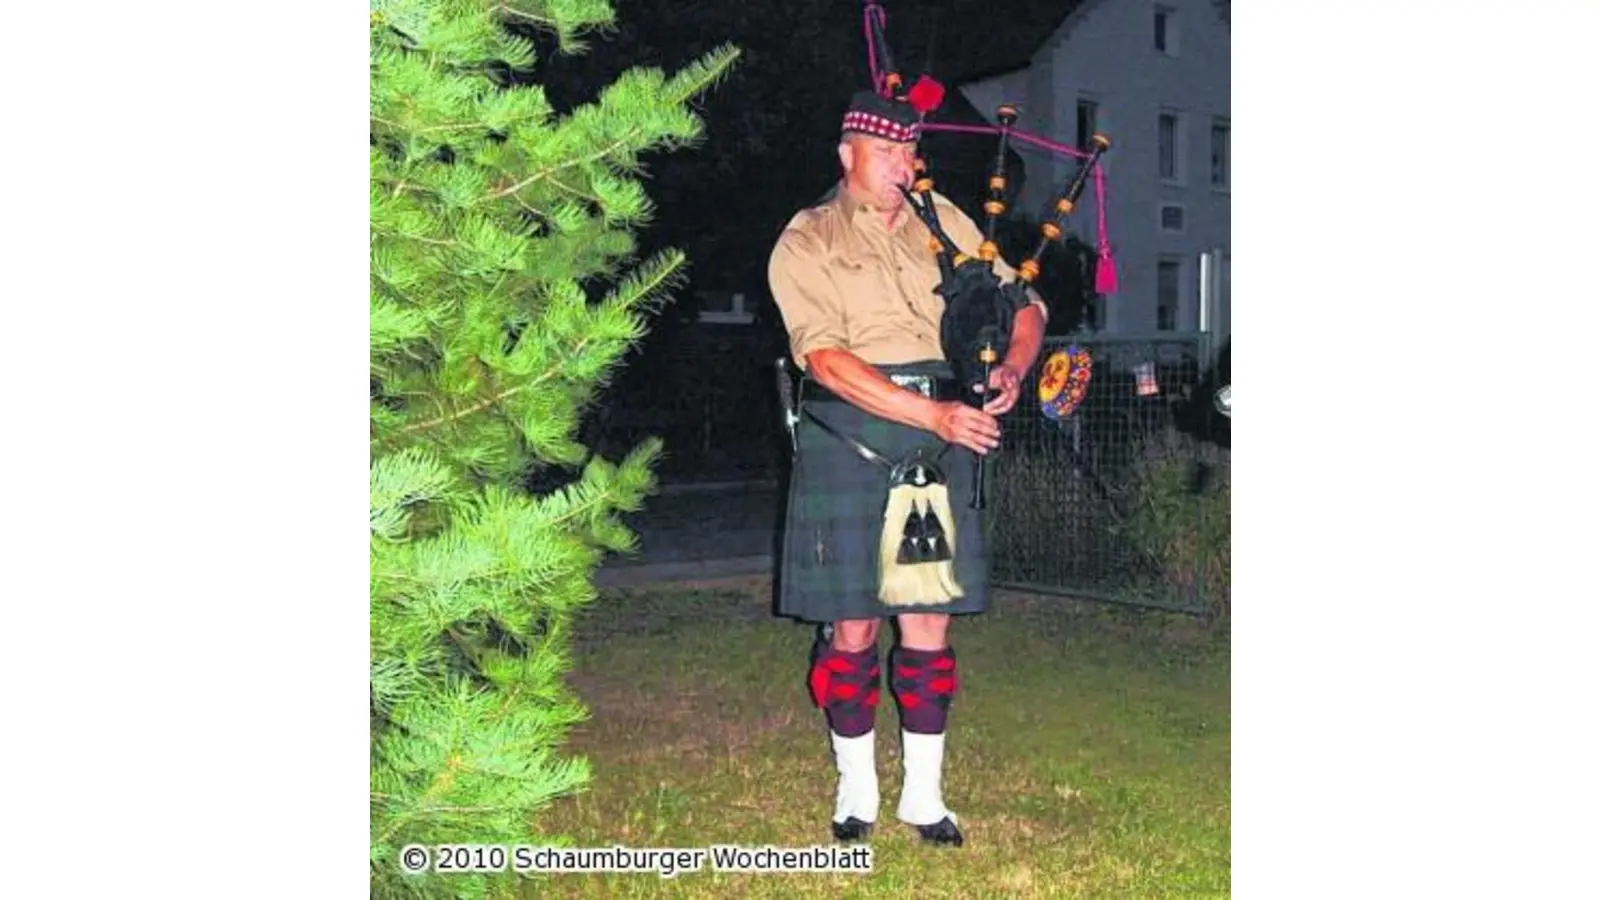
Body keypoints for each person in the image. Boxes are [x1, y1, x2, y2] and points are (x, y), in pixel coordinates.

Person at [768, 89, 1048, 847]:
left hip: (941, 428)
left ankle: (924, 798)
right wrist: (932, 416)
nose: (904, 165)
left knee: (928, 621)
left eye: (911, 152)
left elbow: (1025, 304)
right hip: (855, 428)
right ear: (847, 153)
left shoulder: (942, 219)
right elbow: (822, 357)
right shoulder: (809, 237)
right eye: (888, 151)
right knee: (853, 626)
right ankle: (854, 787)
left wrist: (1014, 371)